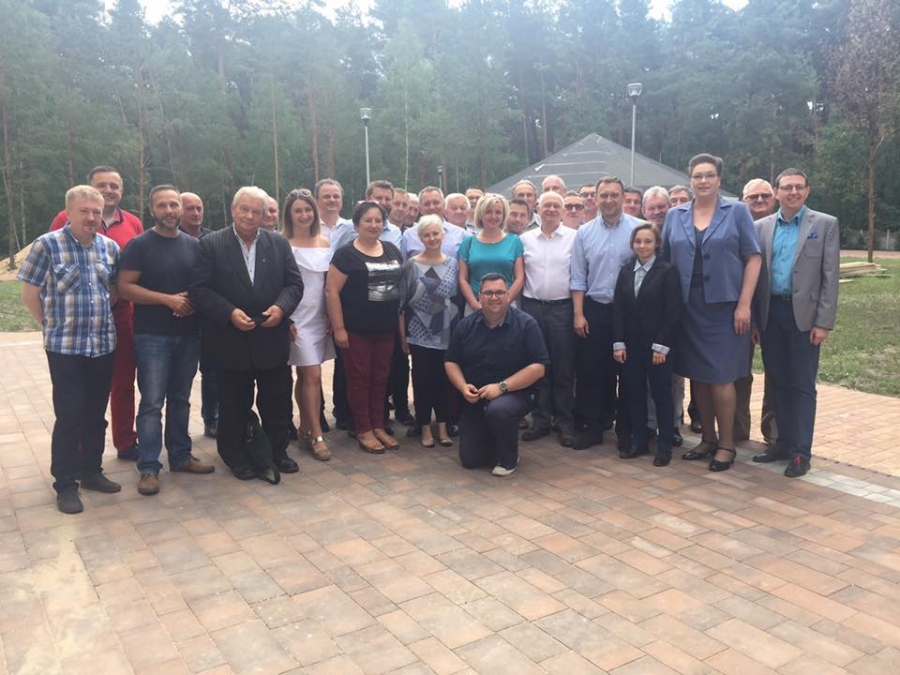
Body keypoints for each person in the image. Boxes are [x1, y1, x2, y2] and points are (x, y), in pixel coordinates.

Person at [20, 185, 122, 513]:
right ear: (69, 212)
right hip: (65, 349)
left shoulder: (109, 247)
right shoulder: (47, 246)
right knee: (69, 416)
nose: (91, 217)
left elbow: (113, 291)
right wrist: (50, 325)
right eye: (84, 211)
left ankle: (91, 471)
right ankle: (65, 484)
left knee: (95, 414)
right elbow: (29, 295)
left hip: (102, 345)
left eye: (96, 211)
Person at [190, 186, 304, 480]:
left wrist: (281, 308)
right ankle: (235, 456)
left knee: (276, 402)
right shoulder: (211, 244)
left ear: (265, 214)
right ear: (233, 209)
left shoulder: (278, 244)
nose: (250, 216)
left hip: (271, 338)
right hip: (230, 340)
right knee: (233, 405)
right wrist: (229, 312)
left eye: (257, 211)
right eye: (245, 209)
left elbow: (294, 285)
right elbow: (200, 290)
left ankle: (278, 452)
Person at [661, 154, 761, 472]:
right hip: (687, 309)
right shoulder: (675, 215)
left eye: (709, 175)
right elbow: (665, 262)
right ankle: (707, 438)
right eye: (697, 176)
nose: (703, 181)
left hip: (725, 309)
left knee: (720, 377)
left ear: (719, 179)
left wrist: (744, 304)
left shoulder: (738, 211)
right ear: (689, 180)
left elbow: (753, 258)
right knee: (698, 376)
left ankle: (727, 444)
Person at [118, 185, 214, 496]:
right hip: (152, 337)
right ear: (152, 210)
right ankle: (148, 467)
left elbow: (204, 283)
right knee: (152, 403)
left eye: (174, 205)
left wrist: (190, 297)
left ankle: (181, 456)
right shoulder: (139, 245)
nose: (169, 210)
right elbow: (125, 287)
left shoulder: (194, 246)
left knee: (181, 399)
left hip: (189, 334)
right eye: (163, 205)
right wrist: (167, 299)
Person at [49, 166, 142, 461]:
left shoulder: (133, 223)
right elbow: (51, 264)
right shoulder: (65, 219)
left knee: (123, 383)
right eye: (102, 185)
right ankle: (79, 450)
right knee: (79, 391)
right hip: (77, 323)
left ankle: (125, 441)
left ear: (121, 190)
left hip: (121, 316)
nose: (109, 190)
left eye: (114, 185)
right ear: (90, 188)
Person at [753, 169, 839, 477]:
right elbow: (756, 277)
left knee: (802, 384)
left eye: (799, 187)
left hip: (804, 317)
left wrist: (823, 322)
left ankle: (801, 452)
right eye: (787, 187)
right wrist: (755, 320)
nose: (793, 192)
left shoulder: (825, 224)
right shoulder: (761, 227)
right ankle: (783, 443)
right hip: (771, 313)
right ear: (776, 192)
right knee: (777, 381)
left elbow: (830, 276)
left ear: (807, 191)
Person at [445, 274, 549, 476]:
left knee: (499, 411)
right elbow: (451, 361)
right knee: (471, 460)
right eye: (488, 293)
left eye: (500, 292)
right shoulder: (466, 325)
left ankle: (508, 458)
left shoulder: (526, 324)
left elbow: (538, 368)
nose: (494, 297)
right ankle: (495, 436)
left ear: (508, 295)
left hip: (516, 394)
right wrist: (462, 386)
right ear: (479, 296)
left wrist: (502, 387)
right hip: (476, 397)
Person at [326, 201, 404, 454]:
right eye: (368, 220)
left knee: (381, 377)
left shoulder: (392, 250)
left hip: (386, 328)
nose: (373, 225)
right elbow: (331, 291)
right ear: (357, 224)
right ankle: (363, 429)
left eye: (378, 220)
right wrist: (339, 328)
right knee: (359, 378)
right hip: (355, 330)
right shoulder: (346, 255)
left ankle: (378, 425)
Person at [570, 174, 641, 451]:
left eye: (614, 195)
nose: (609, 200)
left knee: (629, 372)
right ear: (595, 198)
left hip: (629, 312)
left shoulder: (639, 229)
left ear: (623, 197)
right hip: (595, 310)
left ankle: (626, 431)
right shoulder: (584, 233)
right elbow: (578, 276)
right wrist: (578, 314)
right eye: (604, 195)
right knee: (592, 371)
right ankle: (594, 427)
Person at [613, 222, 682, 466]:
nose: (642, 246)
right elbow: (618, 308)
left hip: (658, 348)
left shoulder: (667, 271)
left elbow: (672, 312)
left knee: (661, 395)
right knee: (634, 394)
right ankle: (639, 440)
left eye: (648, 241)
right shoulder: (626, 270)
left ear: (657, 244)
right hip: (631, 346)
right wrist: (618, 342)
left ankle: (664, 446)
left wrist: (661, 346)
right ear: (632, 244)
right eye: (638, 241)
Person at [520, 191, 577, 447]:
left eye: (556, 205)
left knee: (564, 367)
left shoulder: (574, 238)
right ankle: (541, 420)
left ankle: (564, 422)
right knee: (538, 365)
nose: (551, 209)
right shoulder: (525, 239)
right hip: (532, 308)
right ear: (537, 209)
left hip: (562, 308)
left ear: (562, 210)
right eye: (547, 205)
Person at [398, 215, 460, 447]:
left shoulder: (453, 263)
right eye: (427, 235)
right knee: (422, 381)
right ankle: (424, 428)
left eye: (436, 234)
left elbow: (455, 299)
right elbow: (402, 303)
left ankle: (443, 427)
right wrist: (403, 336)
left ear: (443, 236)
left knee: (444, 381)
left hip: (446, 332)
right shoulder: (412, 265)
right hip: (418, 332)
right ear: (420, 238)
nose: (432, 238)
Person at [283, 189, 334, 461]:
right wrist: (285, 317)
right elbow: (276, 284)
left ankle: (304, 429)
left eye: (308, 210)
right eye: (298, 211)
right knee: (312, 375)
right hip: (296, 318)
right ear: (289, 215)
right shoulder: (282, 243)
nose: (304, 215)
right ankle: (317, 435)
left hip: (319, 317)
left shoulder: (324, 242)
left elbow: (328, 285)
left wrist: (332, 316)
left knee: (305, 376)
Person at [735, 178, 779, 446]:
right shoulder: (735, 228)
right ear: (744, 201)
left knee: (776, 375)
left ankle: (772, 432)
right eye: (753, 197)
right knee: (739, 373)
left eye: (765, 195)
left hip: (776, 311)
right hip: (742, 313)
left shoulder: (783, 227)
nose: (760, 200)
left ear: (773, 199)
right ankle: (737, 429)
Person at [641, 186, 684, 447]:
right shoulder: (641, 236)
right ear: (644, 211)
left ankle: (673, 424)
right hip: (644, 320)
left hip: (671, 316)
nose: (657, 212)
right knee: (647, 378)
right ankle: (649, 424)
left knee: (673, 377)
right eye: (652, 208)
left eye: (662, 207)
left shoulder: (678, 234)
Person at [180, 192, 218, 438]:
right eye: (189, 208)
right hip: (179, 317)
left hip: (210, 317)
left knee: (212, 372)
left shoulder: (214, 239)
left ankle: (212, 419)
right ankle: (177, 432)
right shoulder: (171, 238)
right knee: (181, 377)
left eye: (199, 208)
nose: (195, 213)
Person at [458, 194, 524, 315]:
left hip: (506, 307)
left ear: (503, 215)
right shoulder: (468, 242)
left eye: (498, 212)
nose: (494, 216)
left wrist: (505, 301)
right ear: (480, 214)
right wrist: (474, 304)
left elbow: (519, 278)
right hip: (475, 307)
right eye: (488, 212)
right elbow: (463, 279)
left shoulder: (514, 241)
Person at [402, 186, 467, 258]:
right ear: (420, 208)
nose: (432, 207)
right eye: (427, 204)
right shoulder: (409, 235)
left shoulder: (461, 234)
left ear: (444, 205)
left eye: (436, 203)